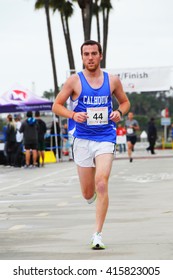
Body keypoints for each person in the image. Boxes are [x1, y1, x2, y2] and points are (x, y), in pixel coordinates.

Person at [52, 40, 130, 249]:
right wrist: (73, 114)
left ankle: (97, 234)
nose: (90, 58)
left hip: (105, 136)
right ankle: (92, 194)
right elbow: (56, 105)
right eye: (86, 54)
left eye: (94, 53)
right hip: (83, 139)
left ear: (100, 55)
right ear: (82, 57)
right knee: (88, 193)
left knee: (102, 182)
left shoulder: (111, 80)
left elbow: (125, 102)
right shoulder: (74, 81)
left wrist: (118, 113)